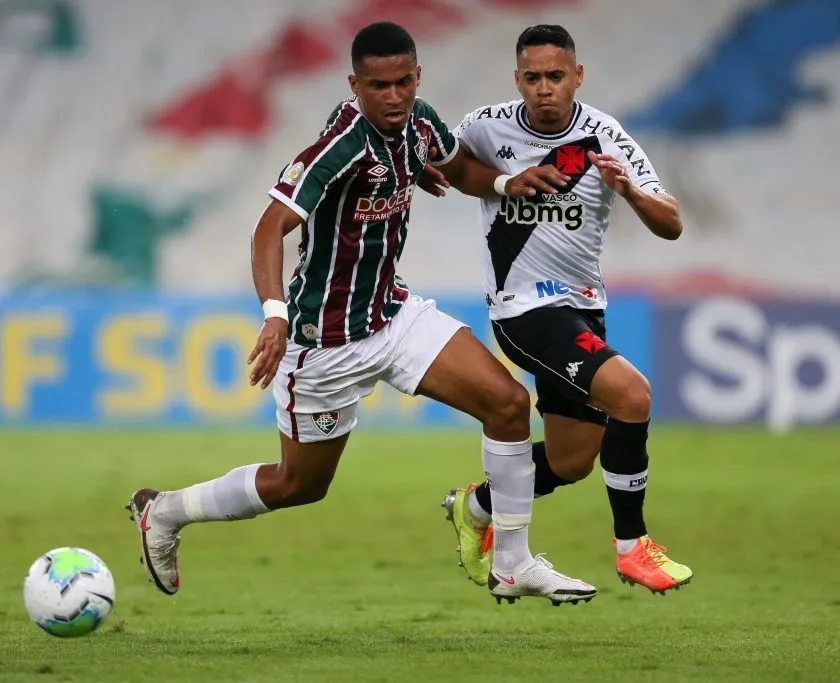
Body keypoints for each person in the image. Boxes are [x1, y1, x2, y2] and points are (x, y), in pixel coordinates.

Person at [125, 21, 597, 606]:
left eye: (403, 83)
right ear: (355, 85)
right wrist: (273, 314)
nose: (394, 97)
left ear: (418, 76)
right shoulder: (340, 147)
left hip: (392, 315)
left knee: (506, 404)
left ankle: (512, 562)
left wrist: (504, 182)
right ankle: (166, 511)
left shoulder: (418, 123)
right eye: (378, 86)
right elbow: (269, 227)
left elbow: (457, 168)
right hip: (323, 341)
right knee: (299, 484)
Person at [439, 24, 692, 595]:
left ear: (577, 76)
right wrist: (501, 182)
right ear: (517, 79)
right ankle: (632, 548)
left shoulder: (605, 135)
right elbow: (445, 165)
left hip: (582, 308)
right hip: (523, 310)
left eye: (555, 76)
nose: (544, 88)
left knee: (572, 460)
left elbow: (672, 222)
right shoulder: (485, 126)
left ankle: (475, 507)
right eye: (533, 77)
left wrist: (629, 192)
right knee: (632, 396)